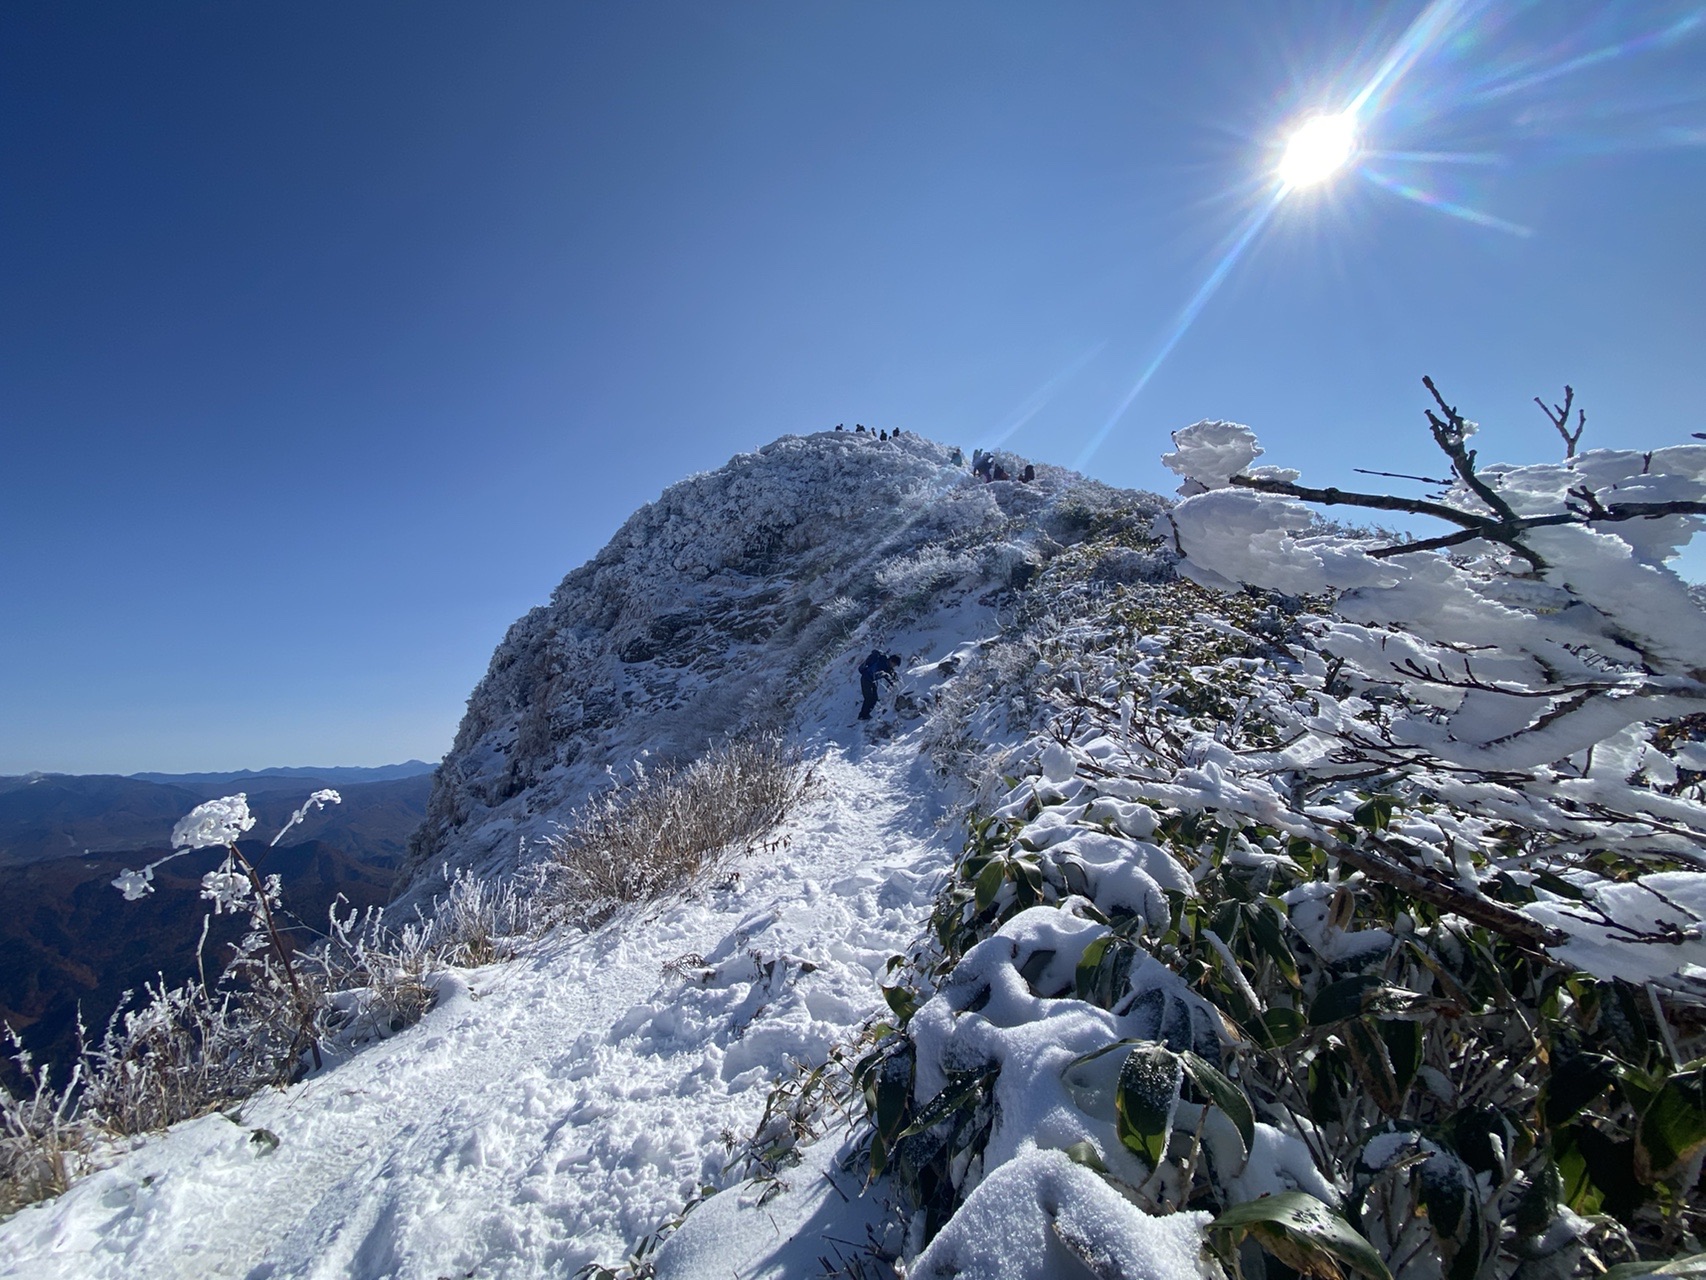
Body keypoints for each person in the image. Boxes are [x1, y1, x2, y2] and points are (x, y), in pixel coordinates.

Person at [857, 650, 900, 721]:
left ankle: (866, 714)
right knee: (868, 697)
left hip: (871, 680)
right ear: (891, 661)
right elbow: (877, 674)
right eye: (894, 664)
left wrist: (893, 682)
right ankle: (862, 715)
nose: (894, 666)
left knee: (874, 698)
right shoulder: (881, 663)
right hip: (866, 678)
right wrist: (886, 675)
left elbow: (889, 675)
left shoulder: (887, 666)